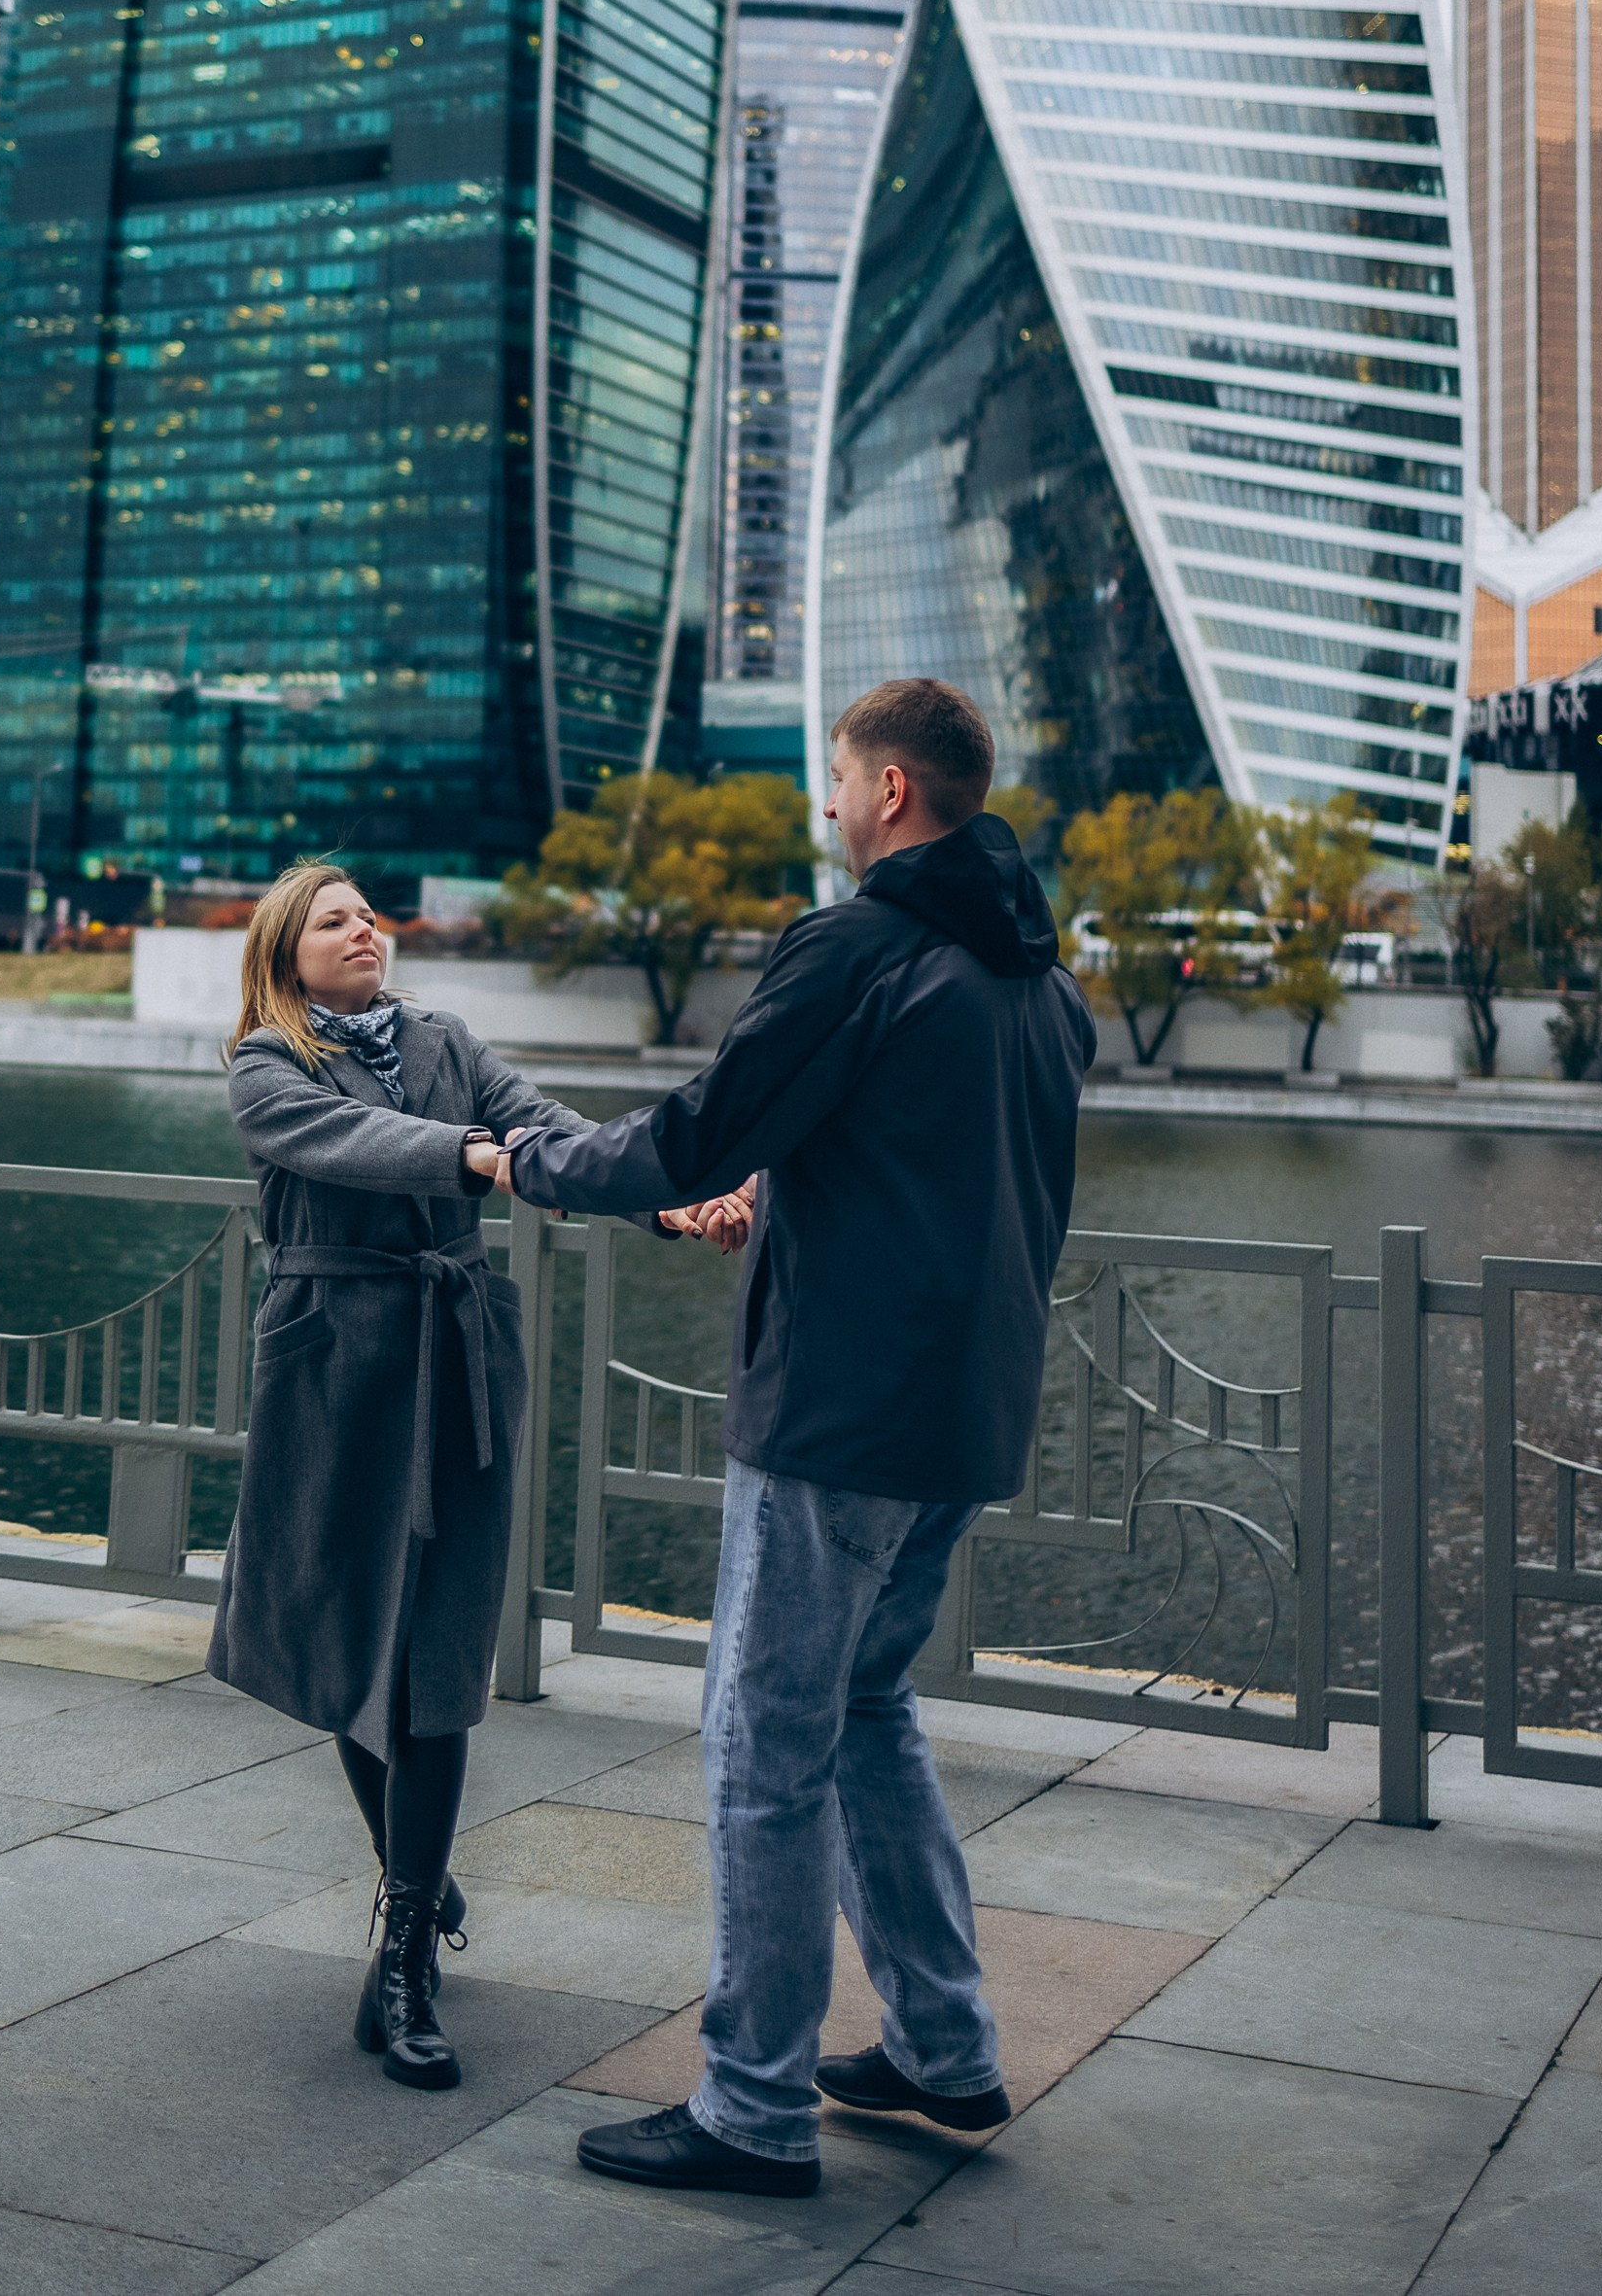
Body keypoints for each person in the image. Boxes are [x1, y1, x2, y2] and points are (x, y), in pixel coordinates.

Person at [467, 678, 1094, 2198]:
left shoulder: (861, 944)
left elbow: (698, 1127)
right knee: (865, 1708)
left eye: (833, 781)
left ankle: (750, 2107)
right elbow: (930, 1170)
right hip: (964, 1406)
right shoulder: (1036, 979)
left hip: (839, 1410)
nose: (824, 807)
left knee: (762, 1741)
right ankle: (944, 2049)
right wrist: (790, 1195)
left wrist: (528, 1160)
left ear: (889, 792)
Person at [206, 859, 582, 2093]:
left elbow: (553, 1130)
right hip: (332, 1367)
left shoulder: (445, 1036)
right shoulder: (267, 1062)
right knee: (340, 1638)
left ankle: (406, 1946)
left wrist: (673, 1194)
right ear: (285, 952)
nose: (363, 929)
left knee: (433, 1655)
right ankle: (417, 1867)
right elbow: (358, 1142)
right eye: (333, 918)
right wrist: (477, 1155)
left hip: (456, 1353)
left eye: (368, 913)